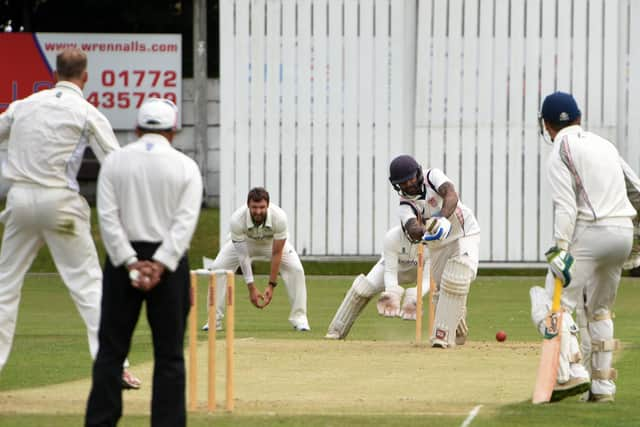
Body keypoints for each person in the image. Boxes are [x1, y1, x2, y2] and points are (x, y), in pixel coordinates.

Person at [0, 47, 140, 389]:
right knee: (89, 285)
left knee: (4, 286)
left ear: (54, 75)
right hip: (60, 204)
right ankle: (114, 365)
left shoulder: (23, 106)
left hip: (19, 201)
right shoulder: (86, 112)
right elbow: (115, 163)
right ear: (85, 76)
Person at [85, 98, 202, 426]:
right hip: (170, 261)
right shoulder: (185, 166)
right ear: (173, 132)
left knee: (111, 351)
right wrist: (160, 264)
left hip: (123, 263)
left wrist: (131, 262)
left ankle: (100, 421)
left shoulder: (116, 162)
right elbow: (185, 222)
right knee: (169, 355)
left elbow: (108, 218)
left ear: (137, 129)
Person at [530, 91, 639, 403]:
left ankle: (572, 371)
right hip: (622, 232)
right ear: (579, 117)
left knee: (552, 302)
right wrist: (635, 240)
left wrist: (561, 248)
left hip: (592, 231)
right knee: (600, 311)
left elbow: (566, 206)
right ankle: (603, 387)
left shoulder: (560, 148)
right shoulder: (605, 144)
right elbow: (636, 189)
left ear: (546, 125)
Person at [387, 154, 480, 348]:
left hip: (464, 232)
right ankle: (458, 332)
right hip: (438, 246)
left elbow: (451, 194)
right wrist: (426, 231)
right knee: (444, 290)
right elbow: (412, 228)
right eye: (402, 183)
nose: (408, 185)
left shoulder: (433, 176)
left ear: (418, 173)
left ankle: (441, 336)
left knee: (457, 276)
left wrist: (442, 218)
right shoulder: (405, 206)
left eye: (410, 178)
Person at [203, 187, 310, 331]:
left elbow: (277, 253)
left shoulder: (280, 217)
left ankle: (300, 319)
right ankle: (213, 320)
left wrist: (271, 285)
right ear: (248, 205)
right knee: (217, 269)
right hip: (246, 242)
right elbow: (243, 256)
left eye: (262, 207)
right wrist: (251, 287)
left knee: (296, 270)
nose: (258, 211)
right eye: (254, 207)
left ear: (268, 205)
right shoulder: (237, 219)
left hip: (270, 243)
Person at [325, 224, 429, 340]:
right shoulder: (393, 236)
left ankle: (446, 335)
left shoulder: (433, 240)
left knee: (445, 285)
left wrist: (415, 295)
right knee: (362, 289)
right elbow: (390, 270)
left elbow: (429, 278)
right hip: (394, 268)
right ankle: (335, 332)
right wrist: (392, 293)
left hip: (422, 269)